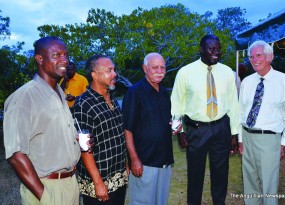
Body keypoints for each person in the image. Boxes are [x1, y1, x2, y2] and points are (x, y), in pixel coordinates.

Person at [3, 36, 81, 204]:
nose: (64, 60)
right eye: (57, 55)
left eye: (66, 55)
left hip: (70, 183)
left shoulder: (60, 93)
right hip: (46, 187)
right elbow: (15, 155)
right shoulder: (23, 98)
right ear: (39, 59)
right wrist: (45, 196)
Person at [171, 34, 239, 205]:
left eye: (218, 49)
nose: (216, 52)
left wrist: (235, 133)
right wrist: (179, 133)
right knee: (195, 174)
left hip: (221, 127)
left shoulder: (227, 73)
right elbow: (177, 104)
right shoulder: (185, 72)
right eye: (212, 49)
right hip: (196, 130)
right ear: (201, 49)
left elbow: (233, 104)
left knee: (221, 173)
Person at [238, 40, 285, 205]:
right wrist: (241, 139)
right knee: (249, 184)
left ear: (269, 57)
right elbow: (241, 112)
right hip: (247, 137)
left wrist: (284, 142)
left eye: (259, 55)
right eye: (251, 57)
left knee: (269, 188)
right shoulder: (247, 82)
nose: (254, 59)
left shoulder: (283, 80)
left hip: (269, 139)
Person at [71, 54, 128, 205]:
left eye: (114, 69)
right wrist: (98, 183)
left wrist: (125, 164)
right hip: (98, 182)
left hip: (118, 177)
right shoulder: (83, 105)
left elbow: (117, 135)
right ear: (94, 75)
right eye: (109, 70)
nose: (115, 74)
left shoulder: (112, 100)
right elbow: (84, 148)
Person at [122, 53, 174, 205]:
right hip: (144, 162)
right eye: (154, 67)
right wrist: (134, 159)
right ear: (145, 68)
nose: (159, 71)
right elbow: (127, 129)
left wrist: (173, 126)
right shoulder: (134, 92)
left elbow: (163, 121)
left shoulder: (164, 93)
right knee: (142, 202)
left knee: (160, 201)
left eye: (162, 67)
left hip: (164, 160)